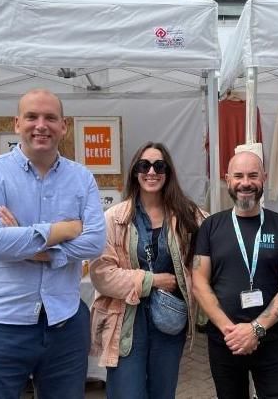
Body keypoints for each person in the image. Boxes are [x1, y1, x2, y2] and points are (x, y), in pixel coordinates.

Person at [0, 89, 106, 399]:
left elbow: (95, 243)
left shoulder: (81, 178)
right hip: (1, 324)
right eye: (32, 117)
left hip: (64, 323)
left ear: (64, 126)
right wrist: (64, 229)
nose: (41, 125)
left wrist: (31, 247)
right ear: (17, 123)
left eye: (50, 118)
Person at [89, 142, 205, 399]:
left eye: (159, 165)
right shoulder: (115, 218)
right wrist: (152, 281)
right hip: (126, 319)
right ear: (134, 171)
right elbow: (101, 274)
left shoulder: (188, 215)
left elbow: (215, 242)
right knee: (126, 392)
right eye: (145, 165)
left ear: (168, 172)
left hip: (169, 320)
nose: (151, 172)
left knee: (163, 393)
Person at [192, 151, 278, 399]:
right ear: (227, 179)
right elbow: (199, 282)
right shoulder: (211, 226)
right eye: (238, 176)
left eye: (253, 175)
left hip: (270, 340)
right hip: (225, 341)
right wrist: (231, 331)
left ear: (264, 178)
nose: (246, 183)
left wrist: (255, 331)